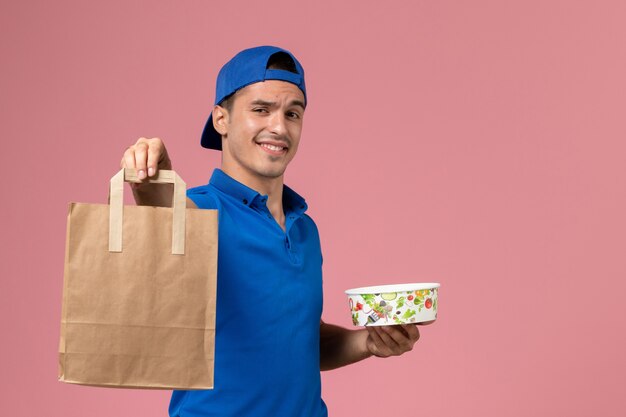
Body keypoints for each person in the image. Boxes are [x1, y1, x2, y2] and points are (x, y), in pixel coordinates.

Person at [120, 46, 428, 417]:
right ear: (221, 118)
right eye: (261, 109)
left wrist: (369, 342)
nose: (279, 127)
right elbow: (165, 212)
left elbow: (303, 341)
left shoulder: (304, 229)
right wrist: (153, 174)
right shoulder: (201, 210)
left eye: (292, 113)